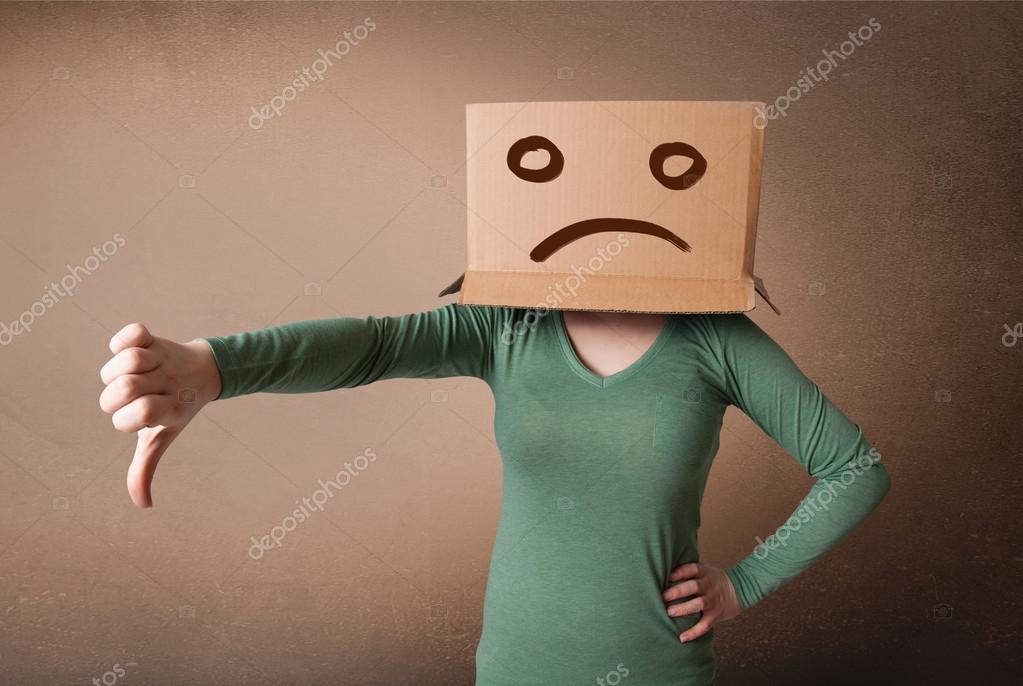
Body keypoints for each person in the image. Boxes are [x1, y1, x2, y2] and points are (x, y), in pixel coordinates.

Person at [98, 304, 891, 685]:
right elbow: (375, 345)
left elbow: (855, 467)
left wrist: (745, 580)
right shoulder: (508, 325)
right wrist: (217, 367)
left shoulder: (717, 338)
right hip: (517, 668)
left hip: (653, 670)